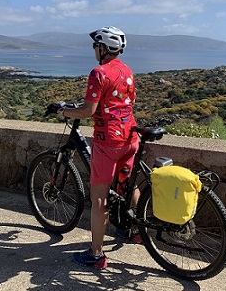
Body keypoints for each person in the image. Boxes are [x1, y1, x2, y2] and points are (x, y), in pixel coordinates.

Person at [61, 26, 138, 269]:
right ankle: (134, 230)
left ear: (103, 48)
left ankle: (96, 254)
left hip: (108, 143)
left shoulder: (98, 73)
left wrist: (63, 111)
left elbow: (87, 111)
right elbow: (128, 102)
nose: (94, 50)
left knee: (99, 200)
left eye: (96, 46)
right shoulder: (127, 71)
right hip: (130, 138)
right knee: (128, 185)